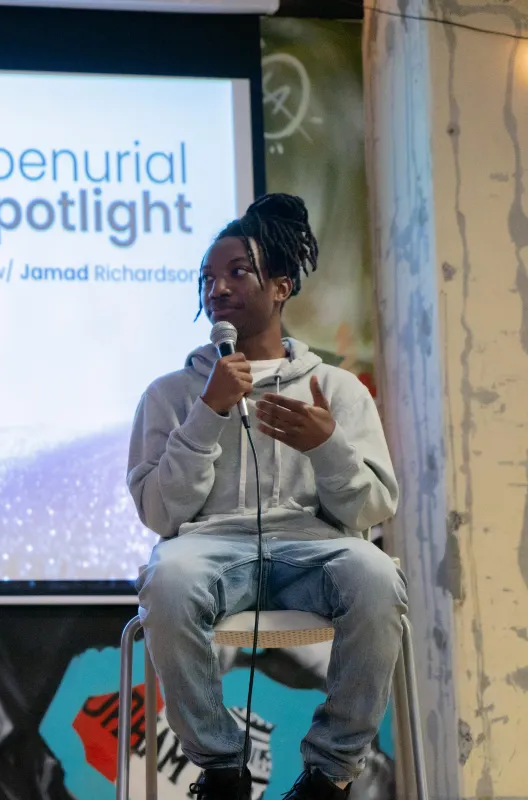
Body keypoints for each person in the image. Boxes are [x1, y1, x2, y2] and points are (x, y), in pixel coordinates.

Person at [125, 194, 406, 800]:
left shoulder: (336, 388)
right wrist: (207, 412)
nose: (217, 288)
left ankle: (330, 774)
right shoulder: (170, 394)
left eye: (237, 272)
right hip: (211, 549)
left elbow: (371, 510)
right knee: (167, 578)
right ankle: (221, 769)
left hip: (314, 548)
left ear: (281, 287)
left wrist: (327, 447)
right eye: (207, 278)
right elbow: (161, 513)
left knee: (378, 577)